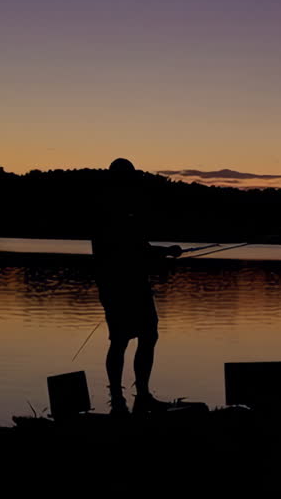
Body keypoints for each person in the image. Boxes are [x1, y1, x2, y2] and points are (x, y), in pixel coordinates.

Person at [91, 157, 182, 414]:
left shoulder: (122, 207)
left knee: (147, 335)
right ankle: (120, 399)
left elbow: (138, 249)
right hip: (118, 287)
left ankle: (140, 395)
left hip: (132, 285)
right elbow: (131, 249)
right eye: (128, 177)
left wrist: (161, 252)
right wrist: (165, 251)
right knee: (120, 341)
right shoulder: (109, 209)